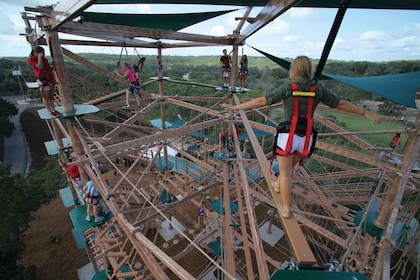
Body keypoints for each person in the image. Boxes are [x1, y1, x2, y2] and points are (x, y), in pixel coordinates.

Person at [221, 55, 381, 219]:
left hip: (287, 136)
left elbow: (263, 101)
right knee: (289, 171)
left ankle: (287, 208)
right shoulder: (318, 89)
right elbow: (340, 104)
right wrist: (364, 112)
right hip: (306, 138)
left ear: (294, 70)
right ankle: (277, 184)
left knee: (286, 173)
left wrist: (236, 107)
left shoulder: (289, 87)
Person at [27, 46, 62, 118]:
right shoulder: (31, 59)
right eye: (42, 53)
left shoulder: (44, 60)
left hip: (49, 79)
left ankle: (54, 110)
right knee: (46, 97)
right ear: (37, 53)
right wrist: (39, 58)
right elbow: (39, 66)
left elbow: (48, 69)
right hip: (42, 79)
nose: (43, 54)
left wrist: (53, 67)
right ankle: (50, 111)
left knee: (51, 97)